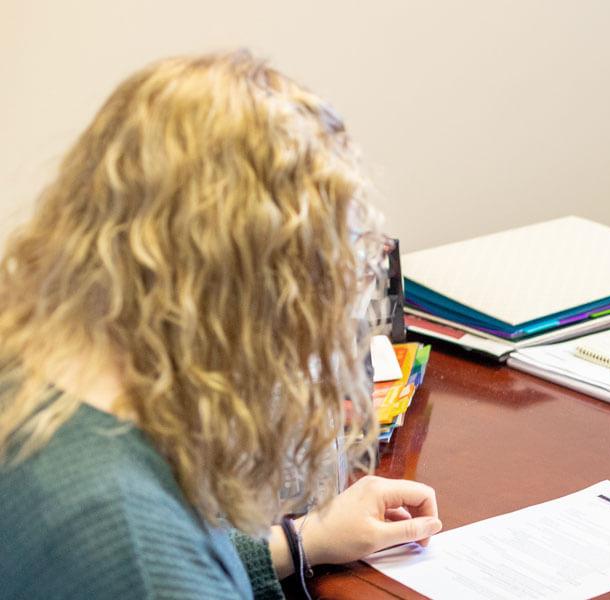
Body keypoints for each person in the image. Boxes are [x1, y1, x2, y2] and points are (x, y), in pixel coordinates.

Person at [0, 51, 442, 598]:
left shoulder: (30, 377)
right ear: (258, 292)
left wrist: (306, 538)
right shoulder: (136, 547)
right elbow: (146, 560)